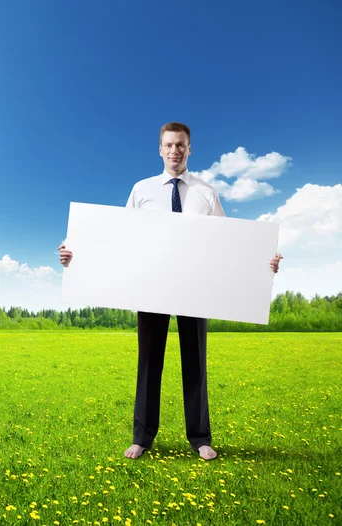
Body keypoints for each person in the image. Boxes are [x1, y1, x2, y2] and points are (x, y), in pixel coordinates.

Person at [58, 122, 283, 461]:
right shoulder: (142, 190)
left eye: (181, 145)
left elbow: (230, 244)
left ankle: (201, 438)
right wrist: (77, 255)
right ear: (160, 149)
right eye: (169, 145)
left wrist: (263, 264)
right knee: (149, 361)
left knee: (195, 361)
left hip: (195, 287)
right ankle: (142, 438)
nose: (175, 150)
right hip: (151, 286)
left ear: (189, 149)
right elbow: (118, 239)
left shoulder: (206, 192)